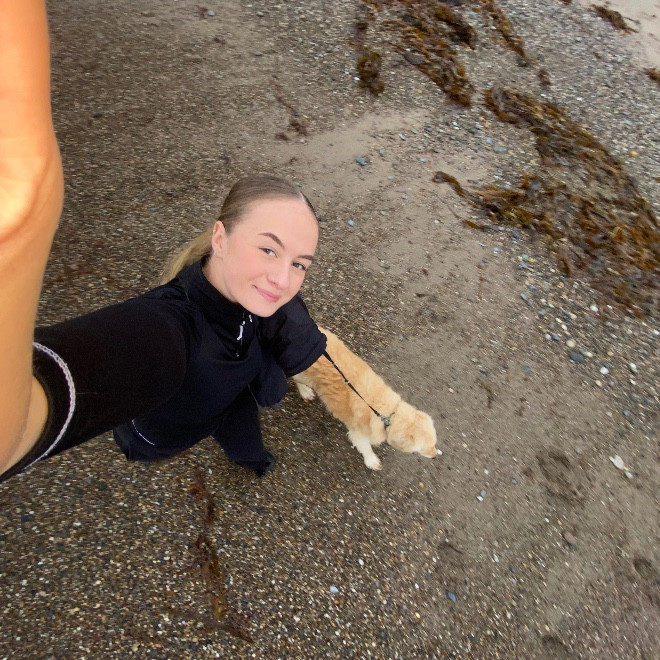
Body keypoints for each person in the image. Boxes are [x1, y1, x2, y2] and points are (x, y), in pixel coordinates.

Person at [0, 1, 326, 482]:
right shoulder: (168, 330)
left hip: (228, 398)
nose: (283, 279)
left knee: (246, 439)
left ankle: (253, 461)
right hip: (166, 434)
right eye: (268, 249)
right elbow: (23, 418)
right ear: (220, 237)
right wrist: (15, 241)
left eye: (300, 263)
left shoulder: (252, 294)